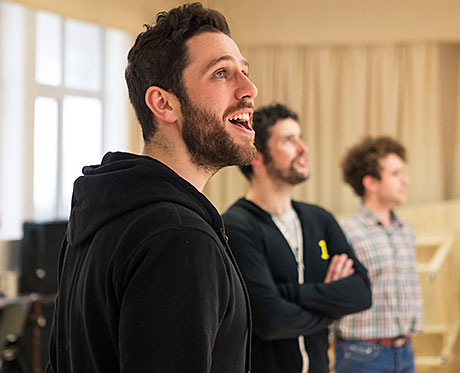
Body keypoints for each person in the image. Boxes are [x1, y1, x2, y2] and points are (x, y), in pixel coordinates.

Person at [46, 3, 258, 372]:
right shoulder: (178, 238)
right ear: (163, 103)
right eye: (221, 73)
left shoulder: (103, 214)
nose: (249, 89)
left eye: (244, 71)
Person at [223, 103, 372, 373]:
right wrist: (333, 306)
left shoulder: (320, 219)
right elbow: (270, 320)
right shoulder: (236, 226)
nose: (304, 148)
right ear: (257, 155)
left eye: (300, 138)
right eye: (289, 140)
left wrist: (287, 294)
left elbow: (361, 292)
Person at [334, 136, 423, 373]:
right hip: (362, 356)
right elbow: (334, 293)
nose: (405, 180)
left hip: (405, 352)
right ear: (371, 182)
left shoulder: (405, 232)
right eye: (395, 174)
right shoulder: (347, 232)